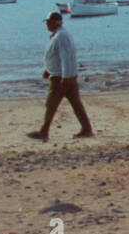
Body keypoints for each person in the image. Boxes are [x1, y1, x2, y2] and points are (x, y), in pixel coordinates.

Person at [27, 12, 93, 141]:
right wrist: (48, 69)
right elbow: (57, 56)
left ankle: (44, 132)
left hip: (61, 78)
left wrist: (65, 77)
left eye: (48, 22)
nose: (47, 24)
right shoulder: (59, 35)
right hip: (64, 76)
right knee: (76, 104)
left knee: (51, 104)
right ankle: (87, 129)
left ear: (56, 23)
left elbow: (66, 57)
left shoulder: (61, 36)